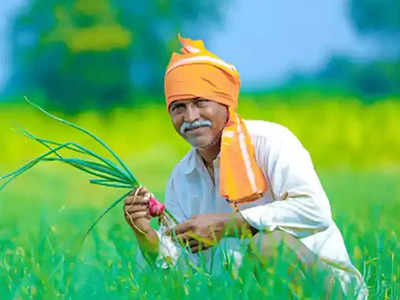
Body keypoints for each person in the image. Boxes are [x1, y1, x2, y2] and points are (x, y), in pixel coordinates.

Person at [123, 35, 368, 299]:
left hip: (328, 288)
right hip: (245, 291)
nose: (191, 117)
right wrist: (147, 238)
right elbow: (184, 275)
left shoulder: (271, 142)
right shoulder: (182, 178)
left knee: (267, 245)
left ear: (225, 103)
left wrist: (229, 225)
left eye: (200, 102)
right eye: (178, 107)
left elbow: (315, 211)